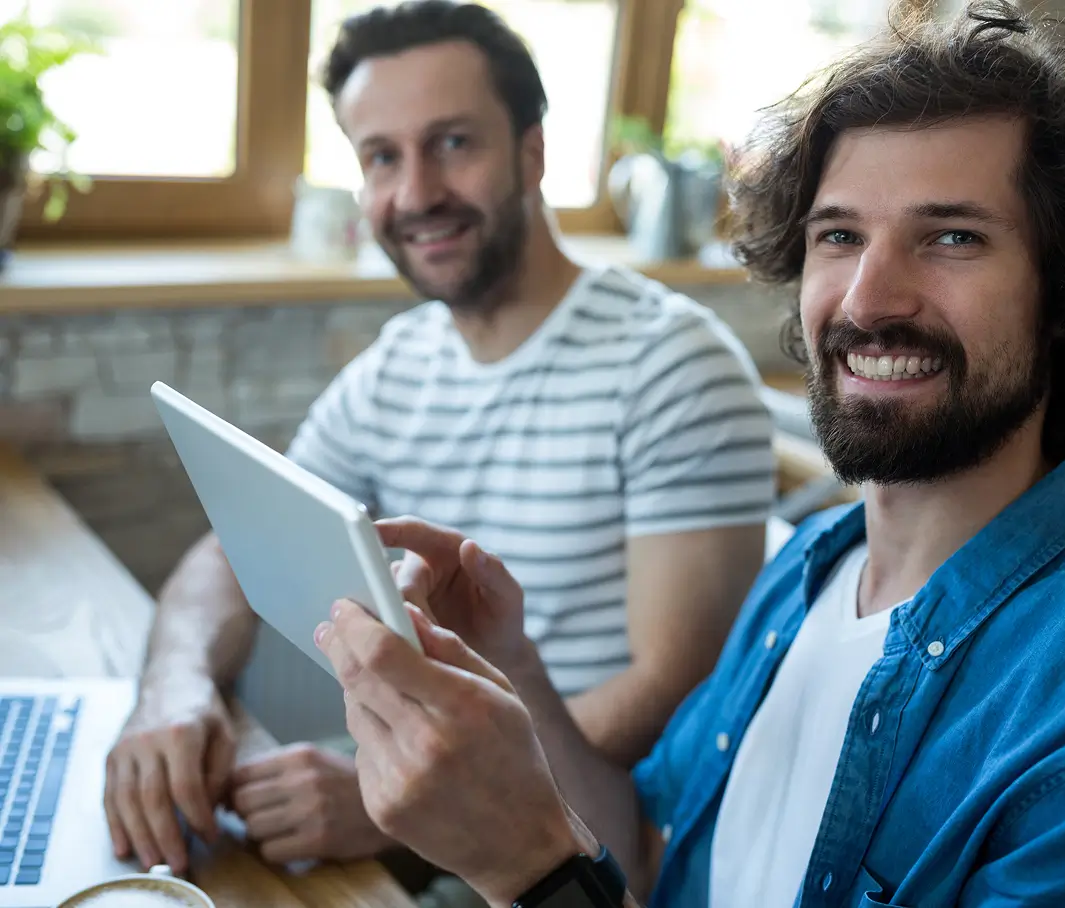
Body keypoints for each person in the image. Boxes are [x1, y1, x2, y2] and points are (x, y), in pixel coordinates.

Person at [314, 3, 1065, 906]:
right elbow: (645, 855)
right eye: (839, 236)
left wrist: (525, 871)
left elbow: (568, 870)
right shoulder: (808, 571)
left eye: (952, 237)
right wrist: (515, 673)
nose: (867, 298)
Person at [102, 0, 776, 876]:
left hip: (585, 854)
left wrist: (404, 798)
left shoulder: (672, 365)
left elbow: (673, 693)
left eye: (453, 142)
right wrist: (173, 686)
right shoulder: (400, 363)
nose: (415, 193)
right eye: (382, 157)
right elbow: (234, 547)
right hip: (435, 810)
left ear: (532, 152)